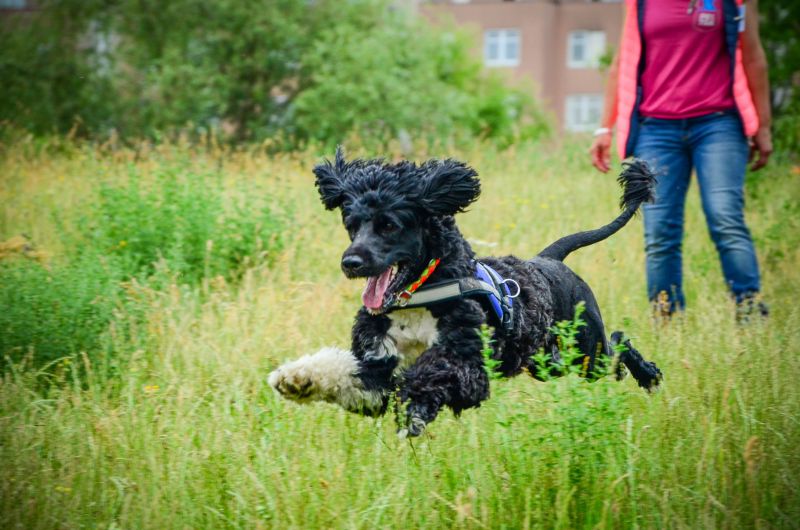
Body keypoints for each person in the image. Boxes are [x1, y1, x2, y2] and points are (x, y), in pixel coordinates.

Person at [589, 0, 772, 319]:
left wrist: (763, 125)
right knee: (660, 230)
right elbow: (624, 59)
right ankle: (666, 317)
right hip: (656, 129)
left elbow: (754, 57)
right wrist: (606, 127)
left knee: (725, 216)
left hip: (719, 123)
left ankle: (749, 309)